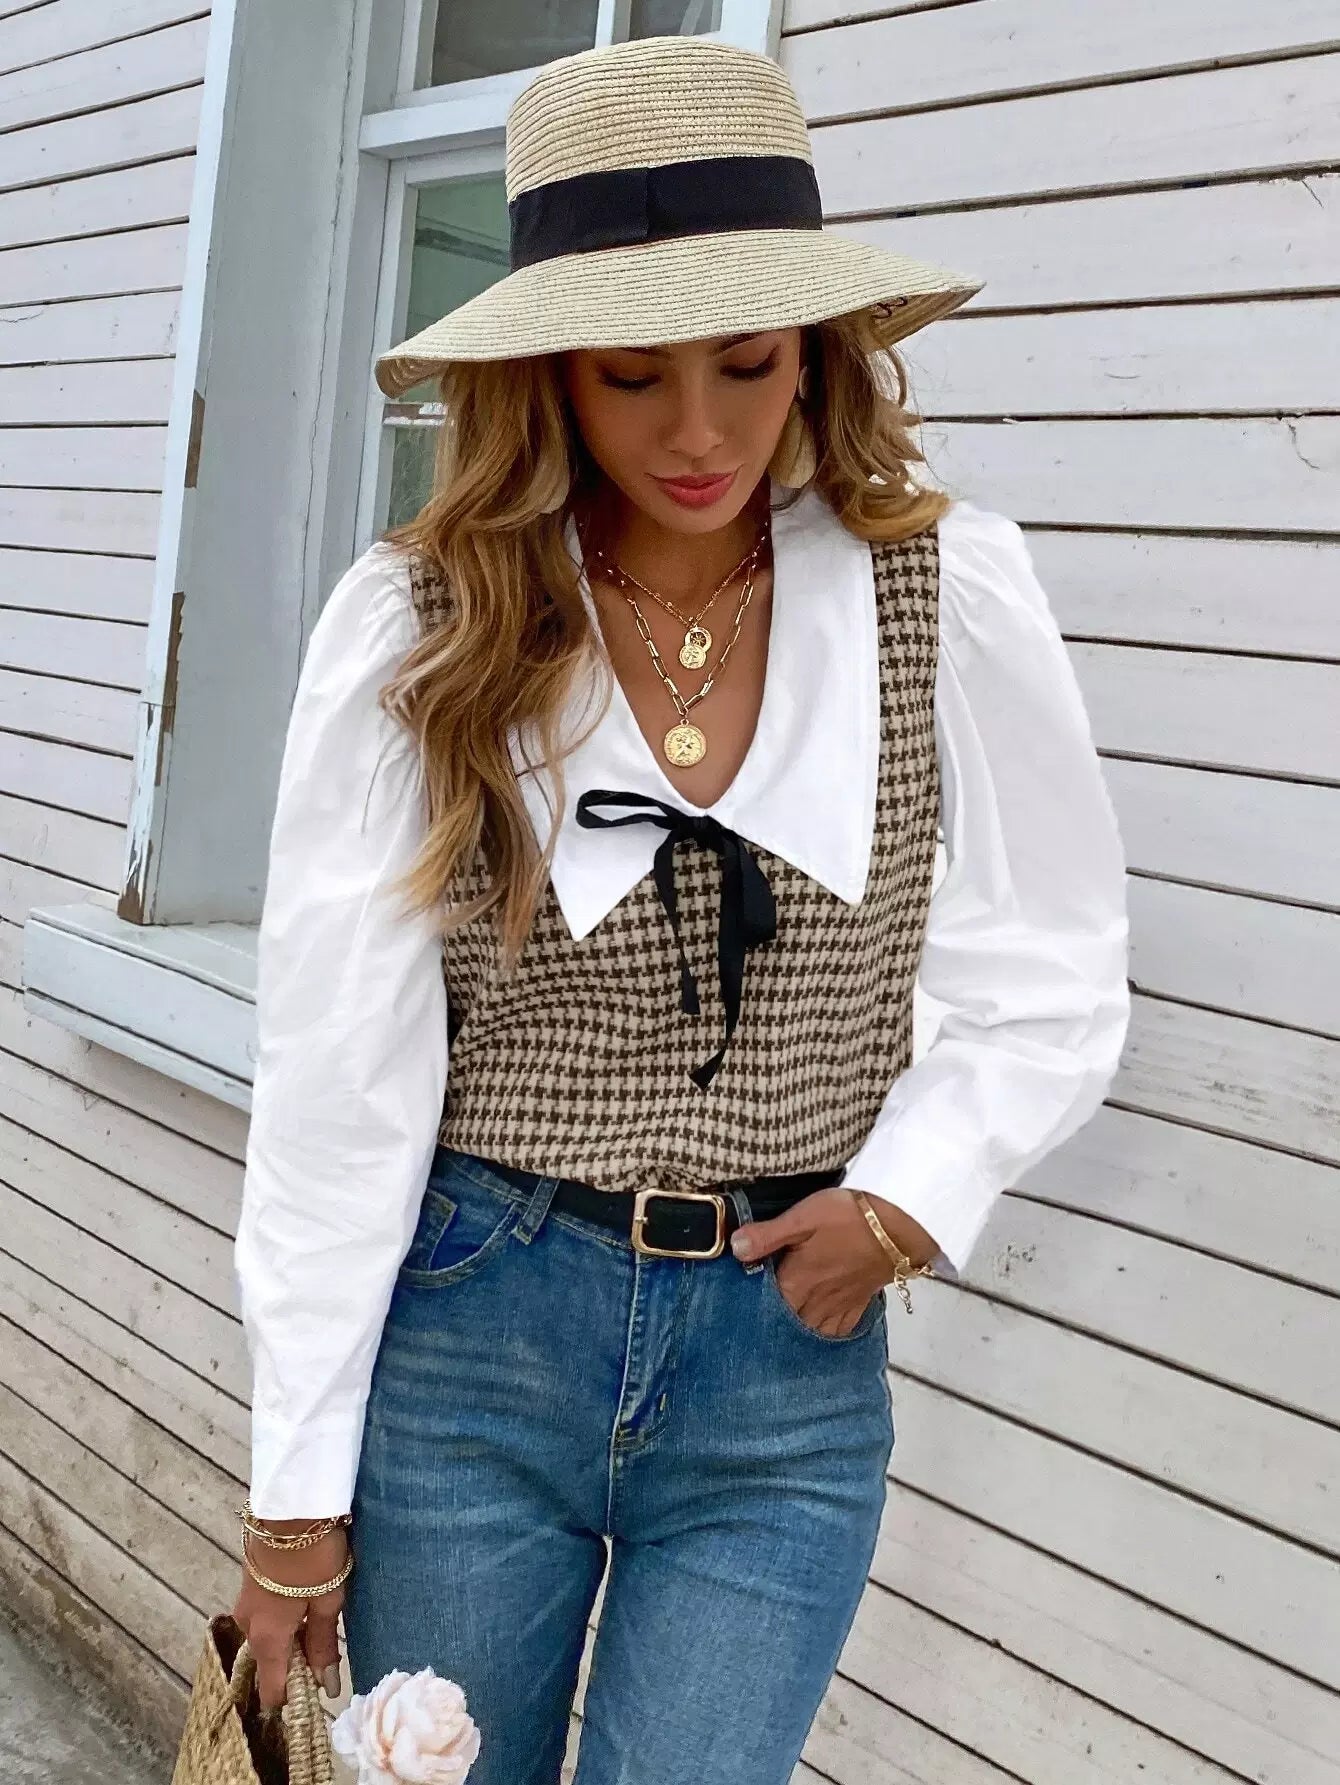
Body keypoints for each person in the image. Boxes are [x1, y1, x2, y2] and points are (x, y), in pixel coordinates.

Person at [229, 33, 1130, 1785]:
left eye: (749, 361)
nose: (701, 430)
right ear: (548, 377)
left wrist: (909, 1200)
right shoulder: (426, 623)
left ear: (816, 350)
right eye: (634, 374)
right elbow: (336, 1076)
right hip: (475, 1336)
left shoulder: (945, 591)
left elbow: (1054, 966)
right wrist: (292, 1498)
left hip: (781, 1372)